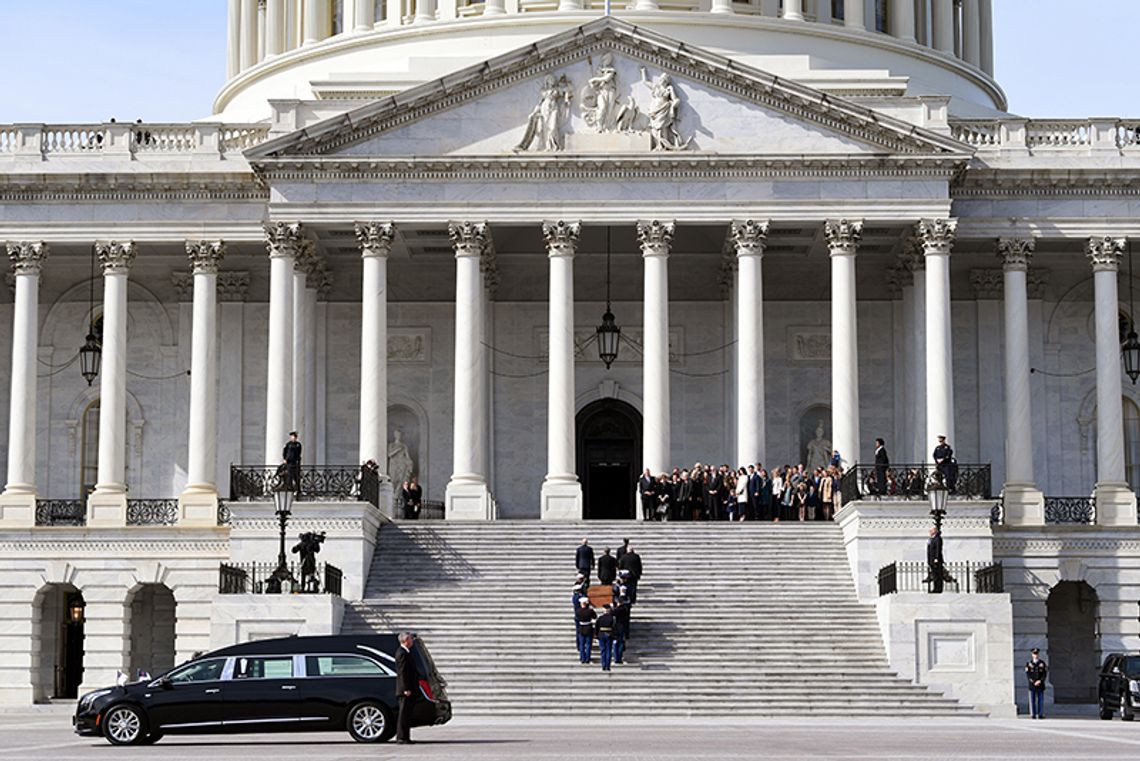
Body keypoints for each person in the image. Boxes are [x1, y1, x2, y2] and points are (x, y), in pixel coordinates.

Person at [394, 632, 419, 744]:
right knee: (403, 714)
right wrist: (406, 688)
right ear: (405, 640)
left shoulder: (406, 652)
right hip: (405, 690)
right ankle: (401, 737)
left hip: (408, 688)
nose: (412, 641)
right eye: (410, 639)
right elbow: (402, 672)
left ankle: (405, 736)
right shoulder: (402, 653)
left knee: (406, 714)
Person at [1025, 647, 1048, 719]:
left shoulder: (1042, 663)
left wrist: (1040, 681)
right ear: (1032, 654)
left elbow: (1044, 674)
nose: (1036, 655)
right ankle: (1033, 714)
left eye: (1037, 654)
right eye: (1034, 654)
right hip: (1032, 685)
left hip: (1040, 685)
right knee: (1032, 700)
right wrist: (1034, 682)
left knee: (1040, 700)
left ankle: (1040, 714)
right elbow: (1028, 675)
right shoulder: (1029, 664)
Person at [595, 604, 616, 672]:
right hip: (609, 634)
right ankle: (607, 665)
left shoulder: (600, 618)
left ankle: (603, 665)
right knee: (608, 650)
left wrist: (596, 636)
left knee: (603, 650)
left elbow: (597, 627)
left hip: (601, 634)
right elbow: (614, 628)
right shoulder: (612, 618)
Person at [575, 597, 596, 664]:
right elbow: (595, 617)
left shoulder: (578, 611)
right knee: (588, 644)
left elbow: (577, 618)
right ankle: (587, 658)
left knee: (582, 644)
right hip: (588, 627)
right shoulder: (590, 610)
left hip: (581, 628)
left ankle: (582, 658)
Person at [282, 431, 302, 497]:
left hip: (295, 463)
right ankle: (289, 489)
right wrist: (285, 459)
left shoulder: (298, 445)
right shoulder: (288, 444)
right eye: (292, 437)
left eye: (294, 437)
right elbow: (285, 452)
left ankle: (298, 490)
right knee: (289, 476)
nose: (293, 438)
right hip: (289, 462)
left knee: (296, 477)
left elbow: (299, 453)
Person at [612, 594, 631, 664]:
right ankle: (618, 657)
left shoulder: (619, 609)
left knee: (617, 643)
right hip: (623, 627)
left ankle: (617, 657)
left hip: (618, 628)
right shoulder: (625, 608)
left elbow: (612, 613)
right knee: (621, 642)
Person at [927, 526, 944, 594]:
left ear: (934, 531)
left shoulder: (938, 539)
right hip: (931, 560)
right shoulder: (931, 539)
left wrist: (936, 558)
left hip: (936, 560)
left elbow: (938, 549)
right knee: (934, 575)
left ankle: (938, 588)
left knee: (938, 575)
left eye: (931, 531)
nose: (929, 532)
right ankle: (935, 588)